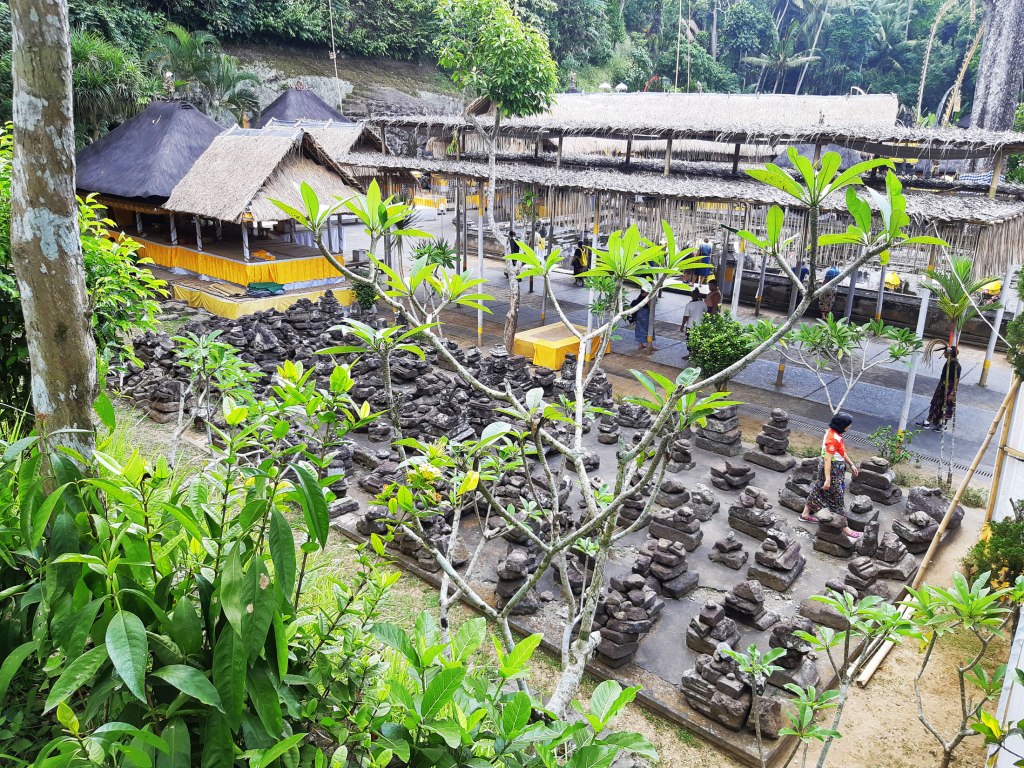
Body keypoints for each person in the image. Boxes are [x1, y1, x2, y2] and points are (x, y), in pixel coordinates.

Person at [800, 412, 862, 538]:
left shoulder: (833, 433)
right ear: (843, 426)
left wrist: (851, 464)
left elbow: (840, 452)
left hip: (831, 467)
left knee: (818, 489)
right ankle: (845, 527)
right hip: (832, 470)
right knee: (837, 496)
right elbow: (828, 459)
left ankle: (805, 514)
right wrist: (828, 479)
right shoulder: (833, 439)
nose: (849, 427)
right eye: (848, 425)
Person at [919, 346, 961, 431]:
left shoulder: (956, 365)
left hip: (949, 388)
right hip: (942, 385)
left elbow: (956, 380)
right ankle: (928, 421)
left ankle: (943, 426)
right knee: (935, 402)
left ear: (949, 354)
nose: (944, 354)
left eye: (945, 352)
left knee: (946, 406)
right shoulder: (948, 362)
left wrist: (952, 393)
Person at [680, 288, 707, 358]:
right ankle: (696, 355)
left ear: (692, 295)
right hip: (699, 325)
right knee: (698, 340)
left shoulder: (689, 305)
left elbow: (686, 316)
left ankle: (690, 355)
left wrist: (682, 326)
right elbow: (706, 311)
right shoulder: (702, 303)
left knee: (689, 340)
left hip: (690, 326)